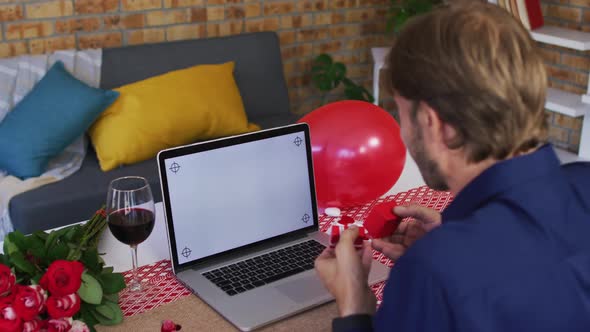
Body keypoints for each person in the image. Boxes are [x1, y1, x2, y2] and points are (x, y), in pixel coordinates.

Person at [314, 2, 590, 331]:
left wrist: (354, 308)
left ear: (434, 123)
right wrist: (453, 236)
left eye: (400, 112)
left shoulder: (433, 271)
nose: (402, 132)